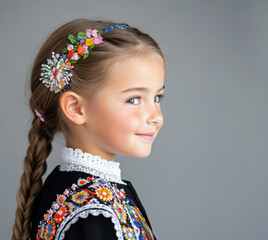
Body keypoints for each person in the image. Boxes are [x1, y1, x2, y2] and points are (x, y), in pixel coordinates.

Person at [11, 18, 165, 240]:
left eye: (157, 97)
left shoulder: (66, 184)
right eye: (134, 99)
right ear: (76, 108)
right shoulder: (97, 212)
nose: (156, 117)